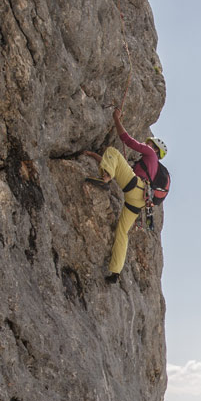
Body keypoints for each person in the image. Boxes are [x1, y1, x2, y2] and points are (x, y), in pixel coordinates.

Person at [84, 108, 167, 283]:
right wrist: (94, 156)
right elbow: (119, 169)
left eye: (150, 144)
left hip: (135, 187)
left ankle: (105, 178)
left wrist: (116, 119)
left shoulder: (149, 153)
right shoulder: (151, 168)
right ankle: (115, 272)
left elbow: (127, 140)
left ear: (154, 148)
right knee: (122, 232)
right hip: (139, 201)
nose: (148, 145)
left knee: (113, 151)